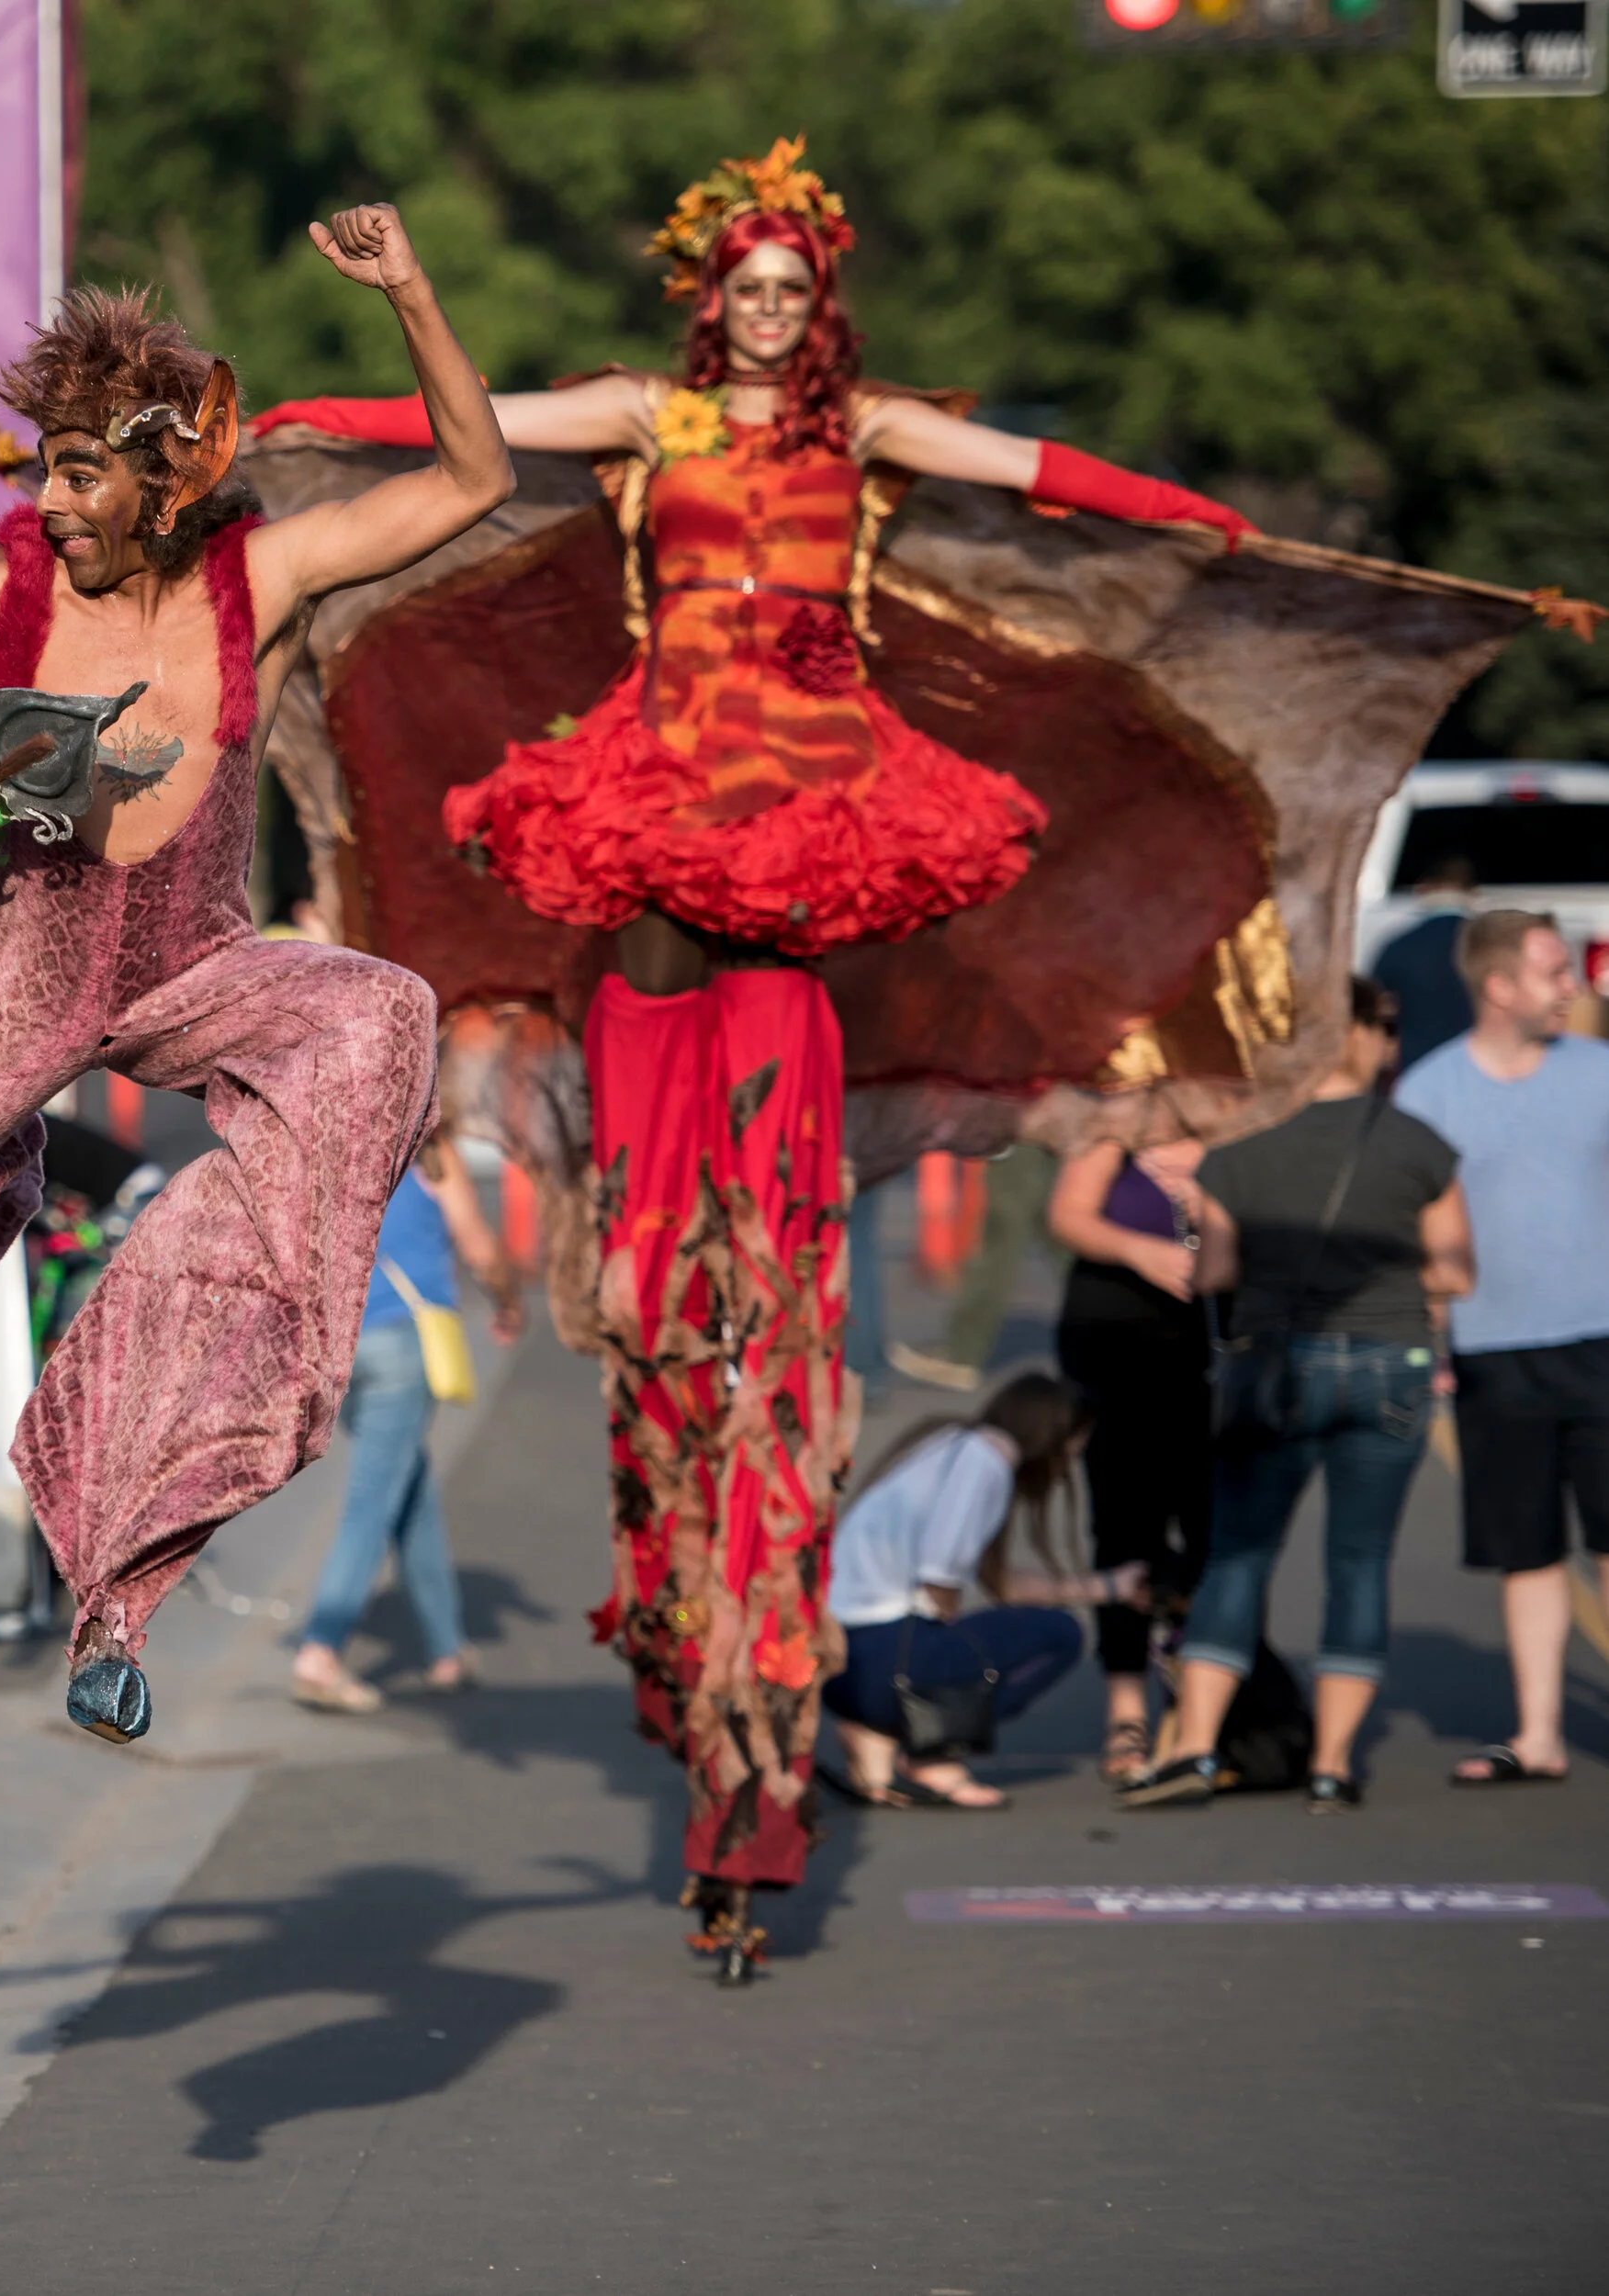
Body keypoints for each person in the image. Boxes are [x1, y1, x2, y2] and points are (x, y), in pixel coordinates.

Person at [248, 139, 1257, 1977]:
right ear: (710, 295)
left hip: (799, 802)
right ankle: (663, 1362)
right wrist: (343, 346)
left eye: (799, 292)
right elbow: (456, 422)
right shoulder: (648, 414)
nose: (775, 318)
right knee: (654, 1238)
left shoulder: (860, 432)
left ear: (821, 303)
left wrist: (1185, 514)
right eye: (751, 290)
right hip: (659, 786)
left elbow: (1035, 472)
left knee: (775, 1281)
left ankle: (761, 1745)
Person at [0, 204, 516, 1746]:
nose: (51, 499)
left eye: (82, 472)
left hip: (192, 962)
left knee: (383, 1014)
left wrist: (410, 290)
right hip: (29, 969)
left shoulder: (265, 578)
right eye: (44, 466)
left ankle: (122, 1584)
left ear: (166, 478)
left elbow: (477, 478)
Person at [1122, 978, 1473, 1811]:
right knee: (1359, 1562)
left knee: (1240, 1556)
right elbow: (1457, 1271)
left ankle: (1198, 1749)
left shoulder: (1241, 1151)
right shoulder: (1419, 1144)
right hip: (1391, 1361)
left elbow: (1213, 1272)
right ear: (1359, 1039)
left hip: (1274, 1365)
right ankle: (1334, 1761)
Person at [1396, 912, 1609, 1787]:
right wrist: (1431, 1335)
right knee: (1527, 1550)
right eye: (1555, 971)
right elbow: (1413, 1229)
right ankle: (1539, 1735)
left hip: (1602, 1337)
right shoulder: (1430, 1093)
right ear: (1499, 987)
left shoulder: (1601, 1072)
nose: (1574, 985)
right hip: (1494, 1348)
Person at [822, 1372, 1131, 1811]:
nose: (1074, 1456)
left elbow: (1004, 1585)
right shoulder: (987, 1461)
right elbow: (940, 1571)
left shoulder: (949, 1444)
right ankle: (932, 1750)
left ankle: (877, 1731)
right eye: (1076, 1442)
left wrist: (1112, 1587)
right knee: (1060, 1635)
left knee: (998, 1634)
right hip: (885, 1660)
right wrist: (950, 1635)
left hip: (841, 1659)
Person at [291, 1134, 523, 1713]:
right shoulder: (432, 1156)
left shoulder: (328, 1151)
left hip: (334, 1352)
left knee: (409, 1493)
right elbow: (479, 1249)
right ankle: (320, 1651)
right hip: (403, 1346)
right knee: (373, 1503)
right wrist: (508, 1303)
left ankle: (447, 1650)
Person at [1049, 1135, 1212, 1783]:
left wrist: (1208, 1204)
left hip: (1210, 1340)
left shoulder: (1239, 1114)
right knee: (1122, 1526)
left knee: (1213, 1527)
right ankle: (1127, 1707)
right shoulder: (1117, 1118)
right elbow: (1067, 1215)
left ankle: (1200, 1701)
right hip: (1114, 1334)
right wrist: (1139, 1250)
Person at [889, 1143, 1061, 1392]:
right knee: (1060, 1219)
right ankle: (1119, 1322)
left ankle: (963, 1352)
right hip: (1045, 1117)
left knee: (1002, 1230)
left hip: (1022, 1118)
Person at [1372, 856, 1477, 1070]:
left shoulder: (1398, 947)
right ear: (1473, 892)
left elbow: (1378, 1010)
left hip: (1416, 1067)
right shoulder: (1493, 946)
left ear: (1423, 889)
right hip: (1482, 1070)